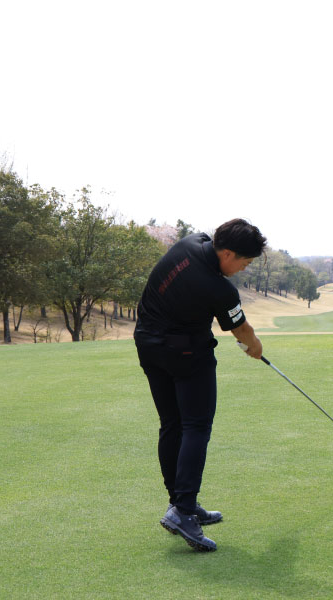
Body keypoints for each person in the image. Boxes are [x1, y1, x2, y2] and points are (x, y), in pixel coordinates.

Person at [134, 218, 267, 552]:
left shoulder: (190, 242)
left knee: (172, 424)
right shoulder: (220, 289)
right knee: (196, 427)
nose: (244, 268)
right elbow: (241, 331)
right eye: (245, 262)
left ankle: (182, 505)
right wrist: (255, 347)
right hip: (186, 353)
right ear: (228, 253)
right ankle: (183, 509)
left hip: (148, 344)